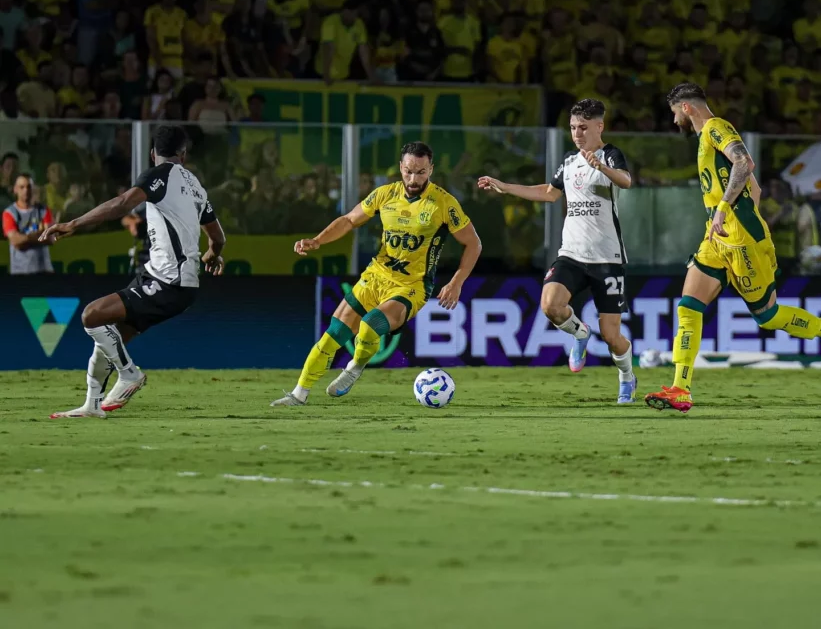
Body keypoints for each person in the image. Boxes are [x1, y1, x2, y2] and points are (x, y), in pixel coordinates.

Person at [646, 84, 821, 414]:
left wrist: (728, 209)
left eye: (673, 113)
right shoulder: (704, 138)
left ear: (686, 108)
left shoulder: (716, 127)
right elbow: (752, 188)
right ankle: (680, 389)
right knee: (688, 307)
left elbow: (745, 163)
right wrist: (729, 212)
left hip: (740, 238)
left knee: (767, 316)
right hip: (716, 237)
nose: (673, 122)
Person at [272, 141, 481, 406]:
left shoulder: (443, 204)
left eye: (420, 172)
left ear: (431, 169)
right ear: (400, 167)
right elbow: (349, 219)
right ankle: (298, 395)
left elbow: (473, 243)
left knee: (371, 323)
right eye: (408, 171)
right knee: (334, 334)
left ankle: (355, 367)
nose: (413, 178)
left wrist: (456, 282)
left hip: (411, 285)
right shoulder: (385, 194)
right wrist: (318, 240)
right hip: (376, 276)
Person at [41, 125, 226, 419]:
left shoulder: (159, 174)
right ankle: (92, 405)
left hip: (168, 281)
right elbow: (218, 238)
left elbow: (121, 204)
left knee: (92, 315)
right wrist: (212, 256)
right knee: (110, 338)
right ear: (184, 155)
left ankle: (129, 375)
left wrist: (73, 224)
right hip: (172, 281)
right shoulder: (196, 185)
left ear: (153, 154)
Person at [477, 98, 636, 404]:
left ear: (599, 127)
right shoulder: (569, 161)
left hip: (607, 259)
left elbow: (626, 182)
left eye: (584, 128)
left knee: (613, 337)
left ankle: (627, 377)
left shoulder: (610, 154)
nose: (578, 134)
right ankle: (579, 334)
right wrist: (506, 187)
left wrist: (600, 166)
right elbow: (550, 194)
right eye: (574, 127)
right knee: (550, 305)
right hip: (572, 255)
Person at [2, 173, 54, 274]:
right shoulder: (9, 213)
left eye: (29, 186)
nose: (26, 190)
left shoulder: (43, 210)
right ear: (15, 189)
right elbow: (15, 241)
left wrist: (25, 238)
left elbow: (51, 238)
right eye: (22, 187)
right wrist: (39, 235)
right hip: (21, 274)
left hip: (44, 272)